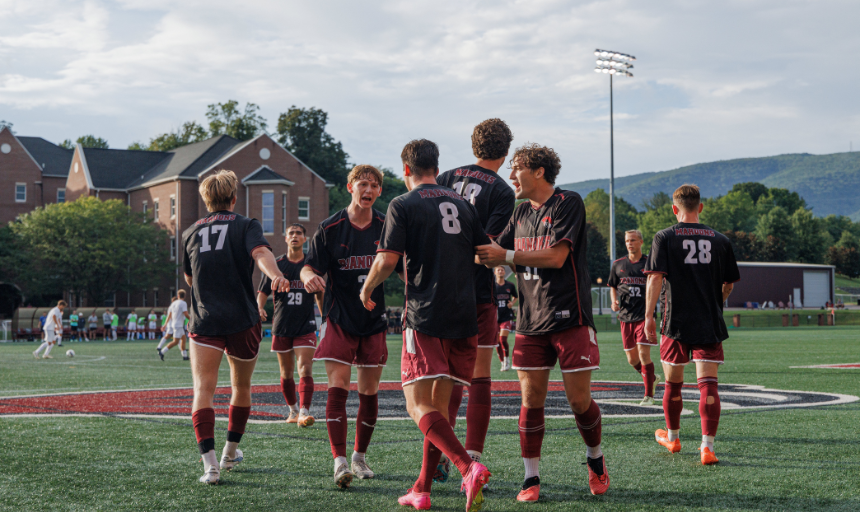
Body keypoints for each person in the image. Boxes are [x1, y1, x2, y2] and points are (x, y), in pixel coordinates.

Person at [362, 138, 492, 511]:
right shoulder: (464, 205)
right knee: (441, 410)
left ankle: (467, 467)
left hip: (426, 315)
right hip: (466, 317)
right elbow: (485, 254)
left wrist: (367, 288)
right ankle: (422, 488)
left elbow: (387, 260)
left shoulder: (403, 204)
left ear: (406, 170)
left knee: (417, 406)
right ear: (437, 166)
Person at [476, 143, 608, 501]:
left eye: (515, 167)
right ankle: (530, 478)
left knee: (579, 401)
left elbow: (556, 256)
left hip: (570, 318)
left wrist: (505, 255)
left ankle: (595, 459)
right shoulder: (519, 213)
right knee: (530, 399)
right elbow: (491, 251)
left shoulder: (568, 203)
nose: (510, 174)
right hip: (530, 321)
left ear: (537, 171)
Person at [182, 169, 288, 485]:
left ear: (205, 199)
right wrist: (276, 273)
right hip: (243, 318)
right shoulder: (246, 225)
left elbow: (190, 277)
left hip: (205, 320)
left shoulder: (190, 232)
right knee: (241, 387)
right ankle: (230, 452)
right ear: (234, 197)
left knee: (203, 390)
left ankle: (210, 466)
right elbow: (261, 254)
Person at [300, 164, 393, 488]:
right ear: (350, 186)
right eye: (362, 184)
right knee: (337, 388)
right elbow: (308, 266)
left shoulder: (387, 225)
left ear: (380, 191)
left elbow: (403, 264)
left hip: (374, 319)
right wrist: (308, 276)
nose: (367, 190)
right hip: (339, 318)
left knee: (369, 393)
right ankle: (339, 461)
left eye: (373, 186)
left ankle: (359, 456)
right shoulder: (330, 227)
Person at [435, 119, 516, 484]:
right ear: (505, 152)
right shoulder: (501, 190)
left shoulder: (446, 177)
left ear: (473, 145)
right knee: (479, 377)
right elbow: (486, 250)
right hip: (477, 293)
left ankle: (440, 452)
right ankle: (472, 457)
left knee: (446, 376)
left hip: (437, 291)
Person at [643, 184, 740, 465]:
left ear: (675, 209)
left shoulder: (665, 236)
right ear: (701, 206)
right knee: (708, 384)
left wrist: (648, 316)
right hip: (709, 320)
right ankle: (707, 447)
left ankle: (672, 439)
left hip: (676, 321)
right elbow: (728, 284)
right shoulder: (720, 240)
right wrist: (717, 302)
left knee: (673, 383)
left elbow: (655, 278)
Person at [257, 223, 320, 427]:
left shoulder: (310, 265)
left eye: (299, 233)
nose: (294, 236)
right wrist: (259, 307)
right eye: (291, 233)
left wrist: (325, 314)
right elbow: (263, 291)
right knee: (286, 373)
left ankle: (304, 411)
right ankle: (292, 410)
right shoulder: (276, 265)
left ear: (304, 239)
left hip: (306, 324)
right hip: (282, 325)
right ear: (285, 239)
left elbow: (320, 290)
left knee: (305, 368)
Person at [607, 230, 659, 405]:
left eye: (633, 240)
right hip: (625, 317)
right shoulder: (618, 264)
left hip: (644, 316)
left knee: (644, 355)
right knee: (632, 360)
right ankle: (652, 377)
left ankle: (649, 395)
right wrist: (613, 301)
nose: (630, 243)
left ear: (641, 242)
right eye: (628, 240)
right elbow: (613, 285)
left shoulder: (649, 263)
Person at [494, 266, 518, 372]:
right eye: (498, 270)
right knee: (496, 342)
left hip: (506, 316)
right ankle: (502, 362)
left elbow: (516, 296)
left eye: (502, 270)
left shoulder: (510, 285)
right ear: (494, 272)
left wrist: (512, 303)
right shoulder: (492, 286)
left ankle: (507, 360)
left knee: (502, 339)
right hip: (494, 318)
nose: (501, 271)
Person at [159, 291, 190, 361]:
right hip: (178, 325)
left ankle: (185, 356)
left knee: (184, 339)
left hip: (175, 324)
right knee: (175, 342)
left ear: (178, 296)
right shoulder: (183, 303)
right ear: (184, 296)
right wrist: (192, 320)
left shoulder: (173, 304)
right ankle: (162, 352)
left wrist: (165, 325)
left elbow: (169, 315)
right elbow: (186, 314)